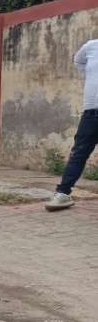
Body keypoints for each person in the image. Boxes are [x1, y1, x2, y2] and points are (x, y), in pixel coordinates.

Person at [45, 38, 98, 211]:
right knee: (79, 153)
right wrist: (89, 74)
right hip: (91, 112)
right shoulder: (91, 46)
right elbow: (78, 60)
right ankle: (62, 194)